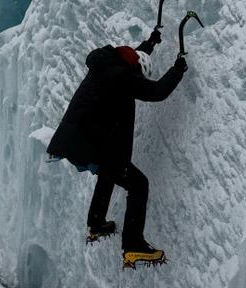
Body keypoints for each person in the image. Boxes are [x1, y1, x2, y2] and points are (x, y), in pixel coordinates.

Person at [47, 29, 188, 268]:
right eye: (138, 76)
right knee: (139, 185)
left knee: (109, 171)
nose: (138, 81)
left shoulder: (109, 65)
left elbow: (135, 56)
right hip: (88, 144)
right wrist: (177, 69)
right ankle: (133, 246)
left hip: (75, 142)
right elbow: (156, 92)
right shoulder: (121, 77)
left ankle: (96, 222)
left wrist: (150, 43)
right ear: (134, 71)